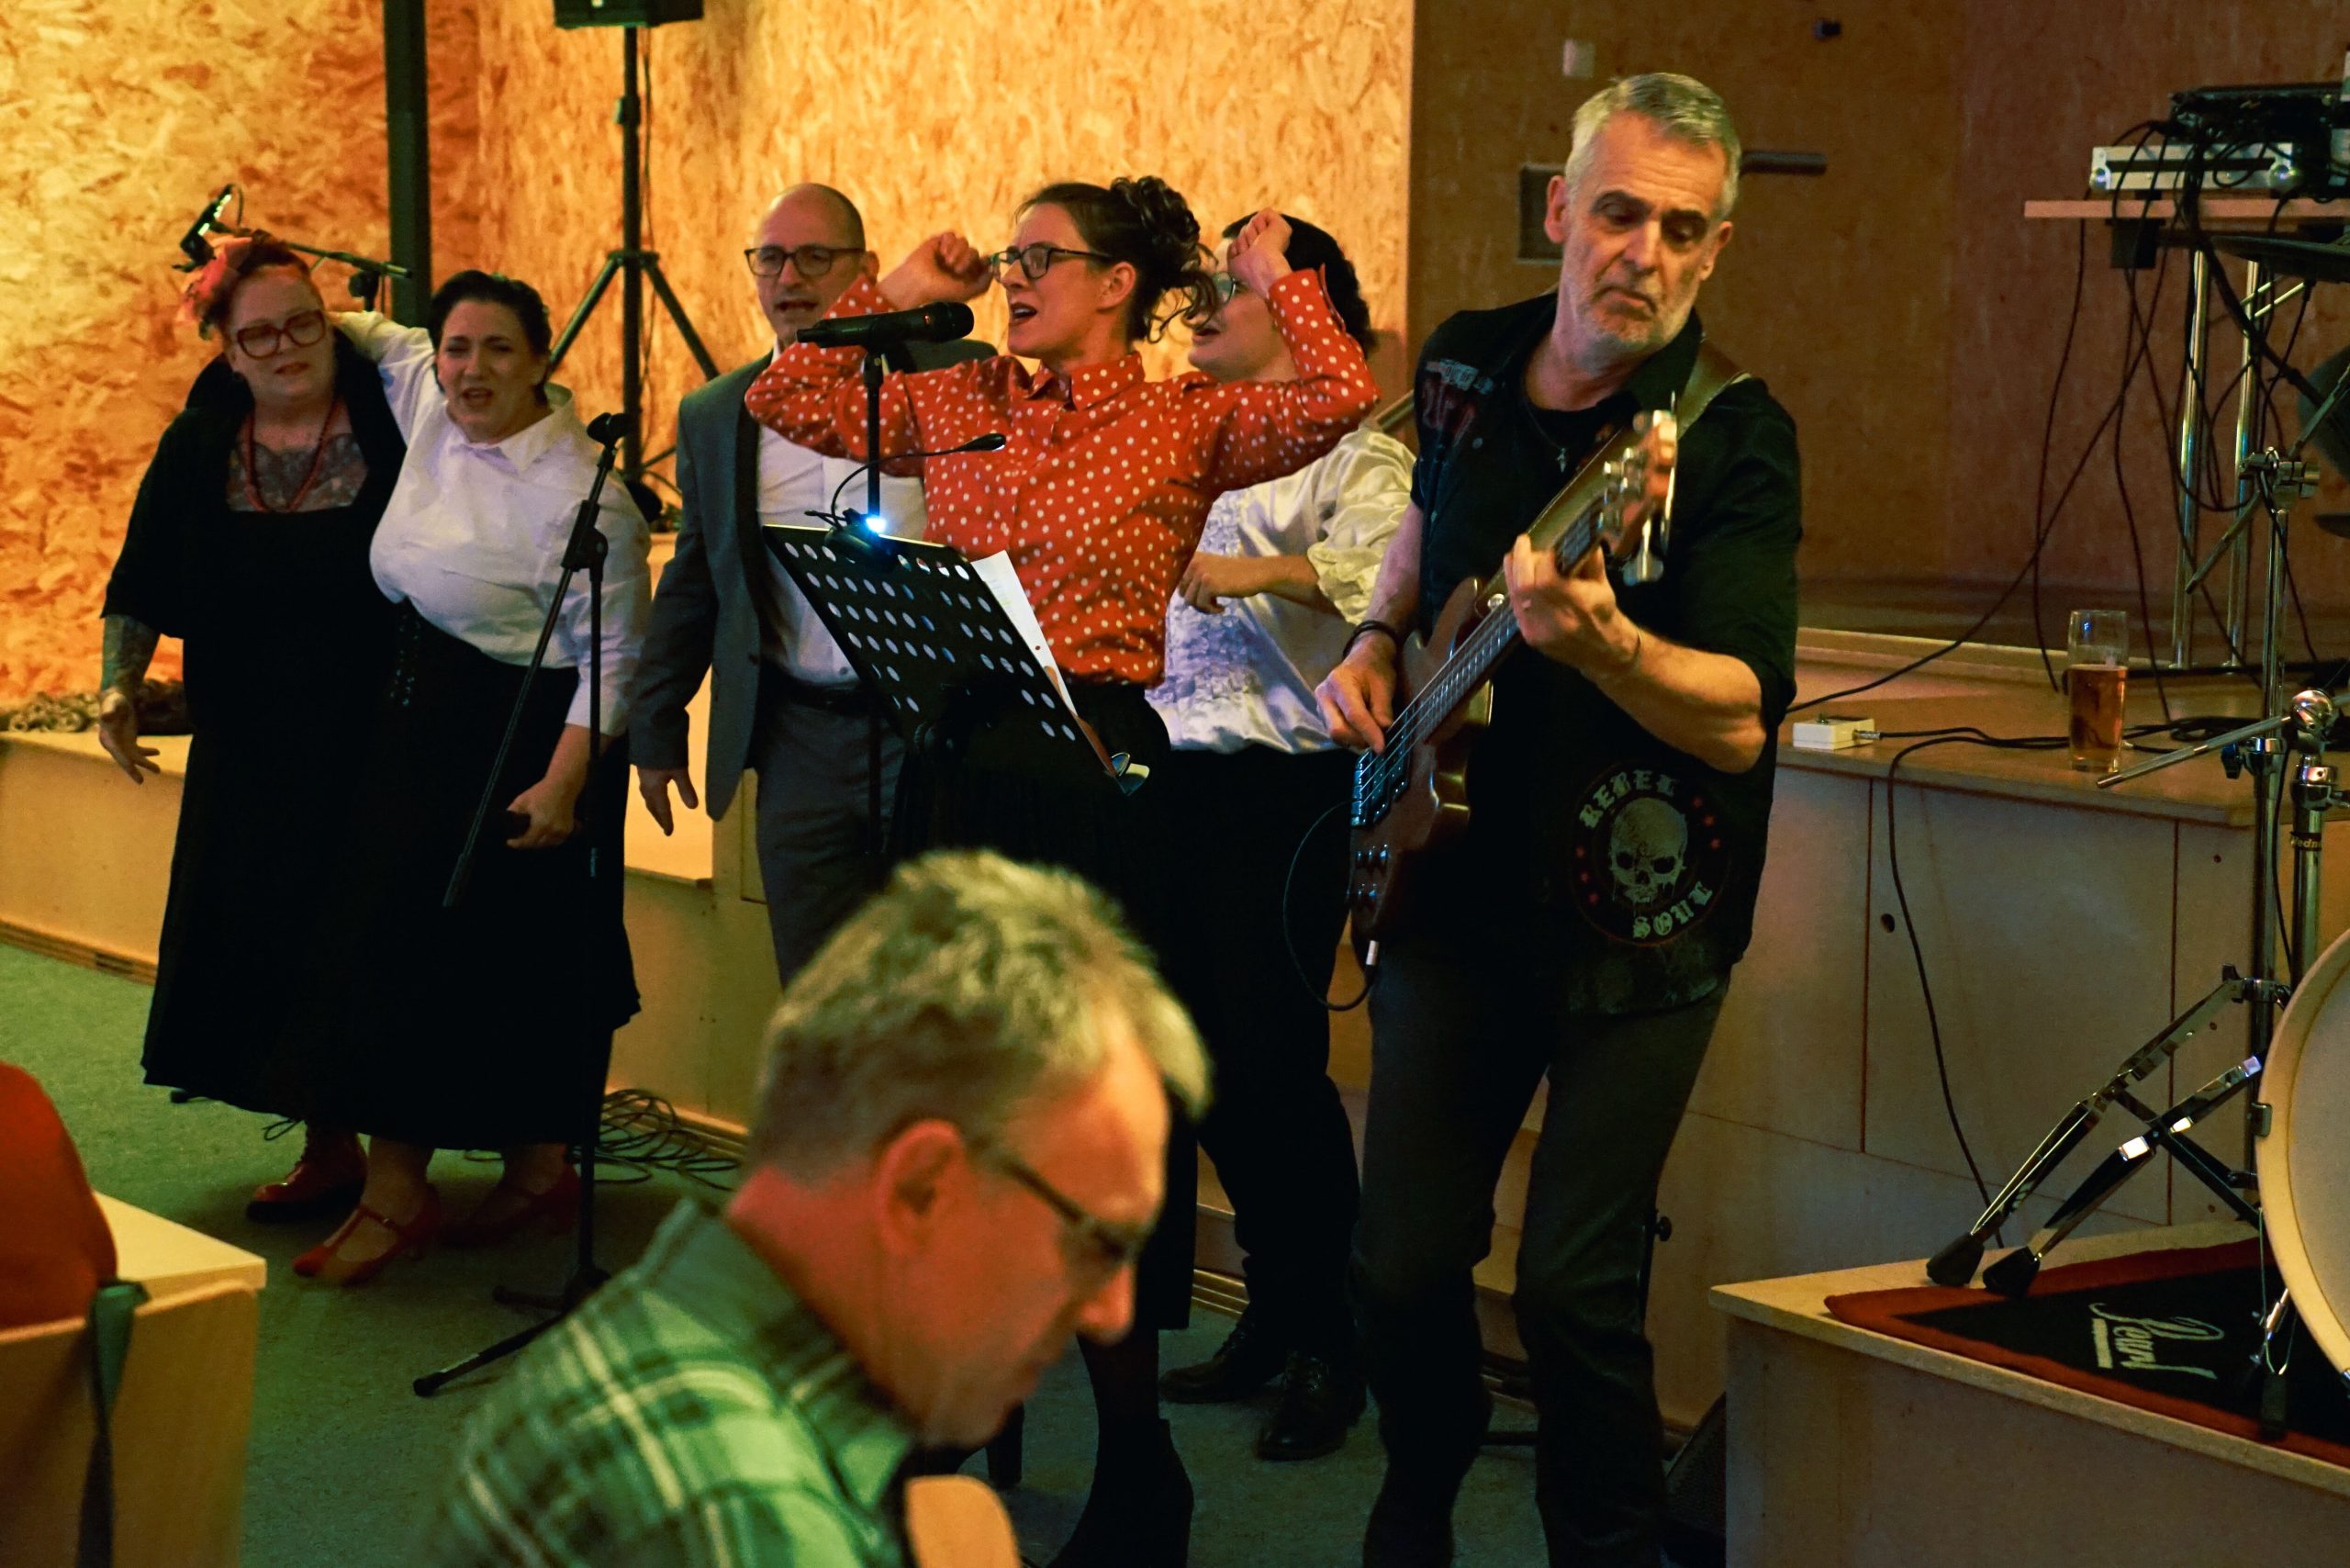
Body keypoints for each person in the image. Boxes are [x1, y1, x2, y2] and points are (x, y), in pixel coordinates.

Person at [749, 175, 1376, 1565]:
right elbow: (783, 397)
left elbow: (1338, 398)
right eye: (1010, 255)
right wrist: (902, 296)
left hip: (1098, 790)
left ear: (1117, 286)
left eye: (1043, 257)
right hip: (959, 774)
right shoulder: (959, 394)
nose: (1017, 276)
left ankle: (1140, 1464)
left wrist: (1280, 273)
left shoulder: (1184, 417)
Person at [1315, 74, 1800, 1567]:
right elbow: (1426, 525)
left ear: (1716, 249)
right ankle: (1421, 1483)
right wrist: (1378, 642)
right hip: (1450, 889)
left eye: (1683, 229)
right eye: (1619, 212)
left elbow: (1742, 714)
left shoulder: (1724, 436)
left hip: (1639, 918)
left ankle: (1608, 1544)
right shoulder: (1466, 361)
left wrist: (1603, 645)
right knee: (1399, 1263)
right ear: (1559, 210)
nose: (1645, 251)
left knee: (1576, 1291)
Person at [421, 849, 1209, 1568]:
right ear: (921, 1185)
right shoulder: (763, 1519)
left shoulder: (653, 1327)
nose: (1112, 1310)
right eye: (1089, 1237)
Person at [281, 271, 651, 1285]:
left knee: (488, 963)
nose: (470, 369)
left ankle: (403, 1194)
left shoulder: (586, 494)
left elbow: (615, 658)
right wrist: (270, 291)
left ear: (540, 362)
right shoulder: (428, 399)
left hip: (524, 738)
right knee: (408, 949)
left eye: (497, 350)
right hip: (416, 725)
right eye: (456, 348)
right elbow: (370, 331)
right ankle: (528, 1168)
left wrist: (563, 785)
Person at [1147, 214, 1408, 1462]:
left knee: (1271, 1070)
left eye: (1233, 288)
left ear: (1304, 311)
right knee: (1194, 1070)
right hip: (1168, 780)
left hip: (1283, 789)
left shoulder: (1359, 454)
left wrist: (1253, 572)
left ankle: (1330, 1344)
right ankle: (1273, 1305)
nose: (1202, 307)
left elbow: (1378, 579)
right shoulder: (1185, 432)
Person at [98, 236, 404, 1224]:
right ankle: (330, 1146)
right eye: (259, 334)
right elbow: (142, 573)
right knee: (276, 941)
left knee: (373, 945)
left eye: (304, 324)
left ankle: (399, 1170)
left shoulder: (398, 423)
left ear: (332, 326)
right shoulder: (199, 444)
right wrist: (117, 687)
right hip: (252, 742)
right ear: (227, 350)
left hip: (381, 735)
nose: (286, 348)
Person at [632, 184, 990, 989]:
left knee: (940, 978)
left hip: (927, 732)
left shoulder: (954, 373)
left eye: (814, 257)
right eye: (770, 259)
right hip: (796, 737)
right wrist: (655, 729)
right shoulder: (718, 413)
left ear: (867, 269)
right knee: (818, 980)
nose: (788, 278)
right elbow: (695, 580)